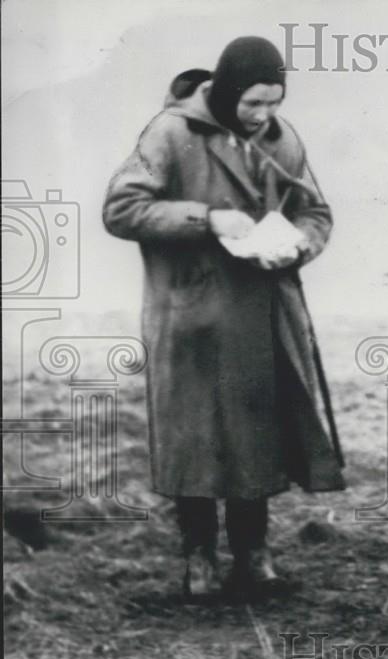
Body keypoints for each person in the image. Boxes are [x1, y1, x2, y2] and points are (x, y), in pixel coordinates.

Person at [104, 37, 346, 602]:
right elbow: (121, 208)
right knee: (196, 441)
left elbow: (315, 211)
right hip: (190, 317)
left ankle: (254, 555)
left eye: (274, 103)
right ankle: (198, 558)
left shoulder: (284, 141)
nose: (264, 116)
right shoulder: (170, 133)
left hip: (259, 316)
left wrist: (297, 245)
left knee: (254, 436)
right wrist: (207, 219)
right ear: (229, 91)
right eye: (252, 104)